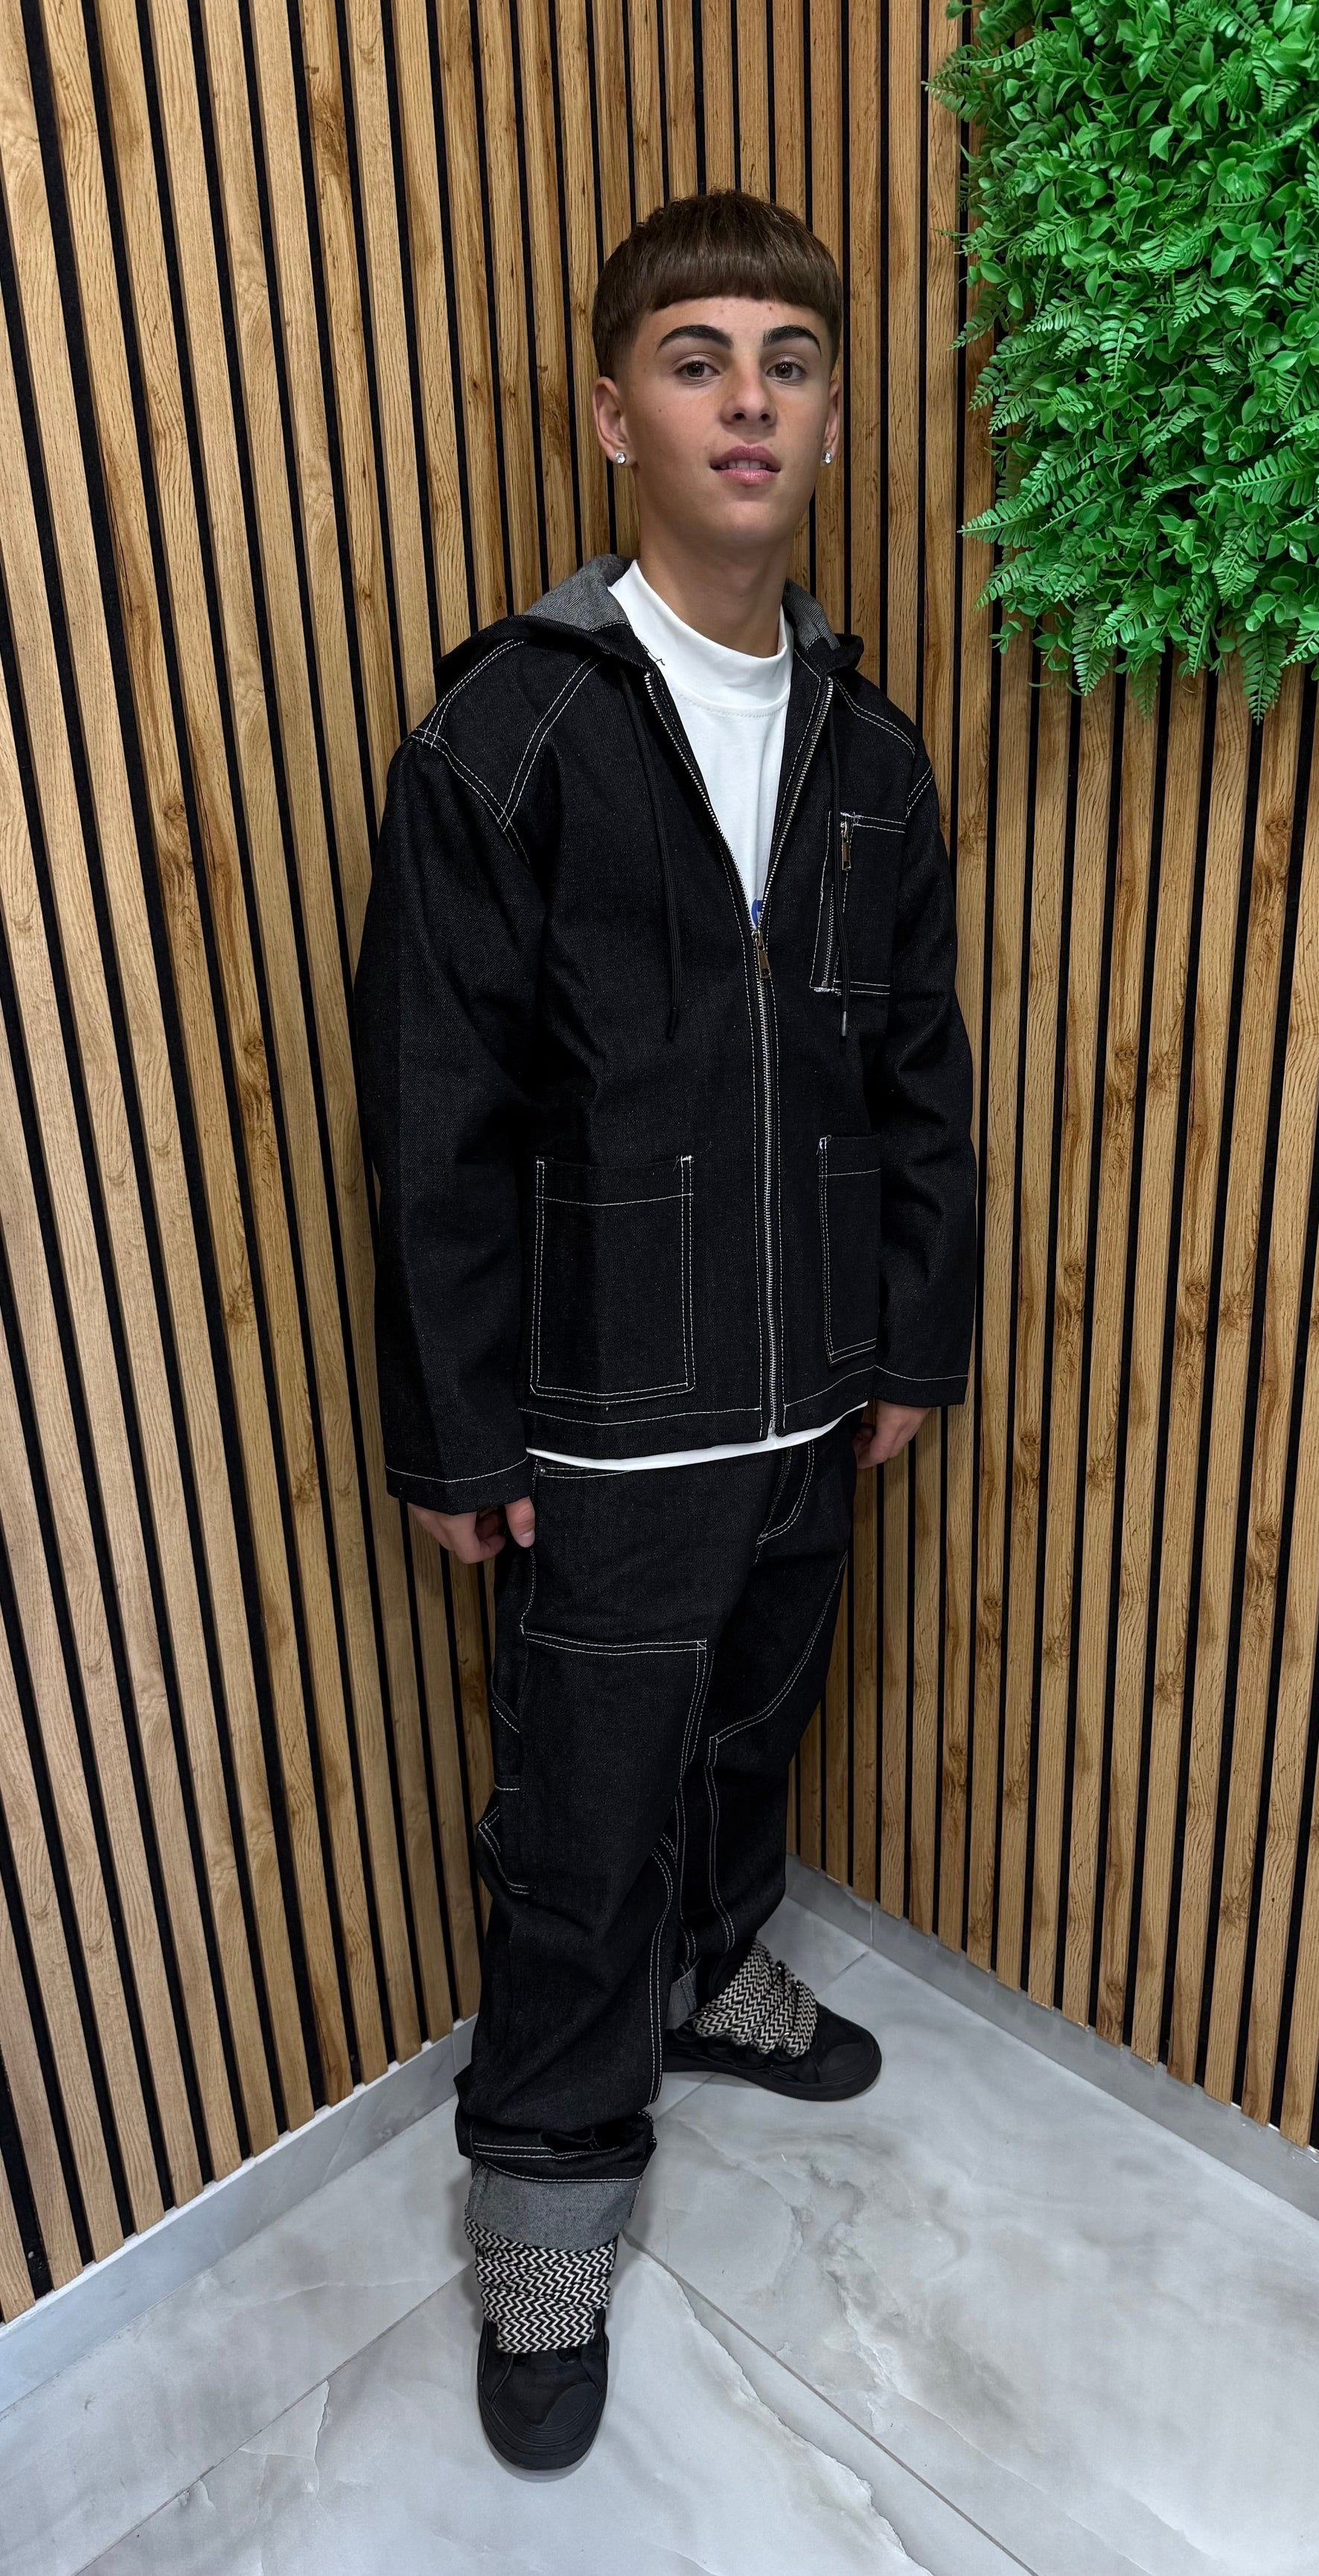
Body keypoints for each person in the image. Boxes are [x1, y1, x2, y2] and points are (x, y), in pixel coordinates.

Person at [354, 186, 976, 2474]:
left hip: (810, 1404)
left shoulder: (869, 752)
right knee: (578, 1820)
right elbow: (432, 1113)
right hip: (604, 1426)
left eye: (787, 362)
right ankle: (542, 2201)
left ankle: (715, 1973)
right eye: (696, 357)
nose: (746, 399)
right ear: (612, 411)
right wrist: (457, 1433)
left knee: (747, 1737)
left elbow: (919, 1075)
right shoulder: (511, 732)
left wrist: (908, 1346)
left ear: (829, 422)